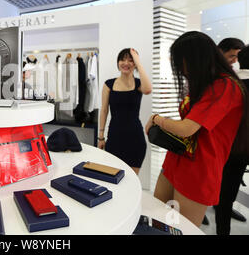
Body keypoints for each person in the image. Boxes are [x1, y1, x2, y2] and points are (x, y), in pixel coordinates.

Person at [145, 31, 248, 227]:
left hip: (200, 168)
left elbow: (186, 128)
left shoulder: (225, 86)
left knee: (182, 229)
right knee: (157, 219)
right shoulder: (206, 84)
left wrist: (157, 119)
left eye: (181, 61)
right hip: (177, 158)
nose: (181, 68)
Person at [98, 48, 152, 175]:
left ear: (135, 64)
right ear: (118, 62)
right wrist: (101, 137)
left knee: (132, 179)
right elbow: (104, 110)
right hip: (114, 138)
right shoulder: (109, 84)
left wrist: (138, 62)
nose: (126, 63)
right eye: (122, 59)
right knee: (112, 177)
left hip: (135, 139)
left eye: (130, 60)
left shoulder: (139, 84)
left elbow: (148, 89)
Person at [214, 43, 249, 234]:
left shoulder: (229, 83)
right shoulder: (229, 83)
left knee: (225, 194)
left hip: (231, 148)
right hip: (235, 149)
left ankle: (223, 230)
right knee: (226, 193)